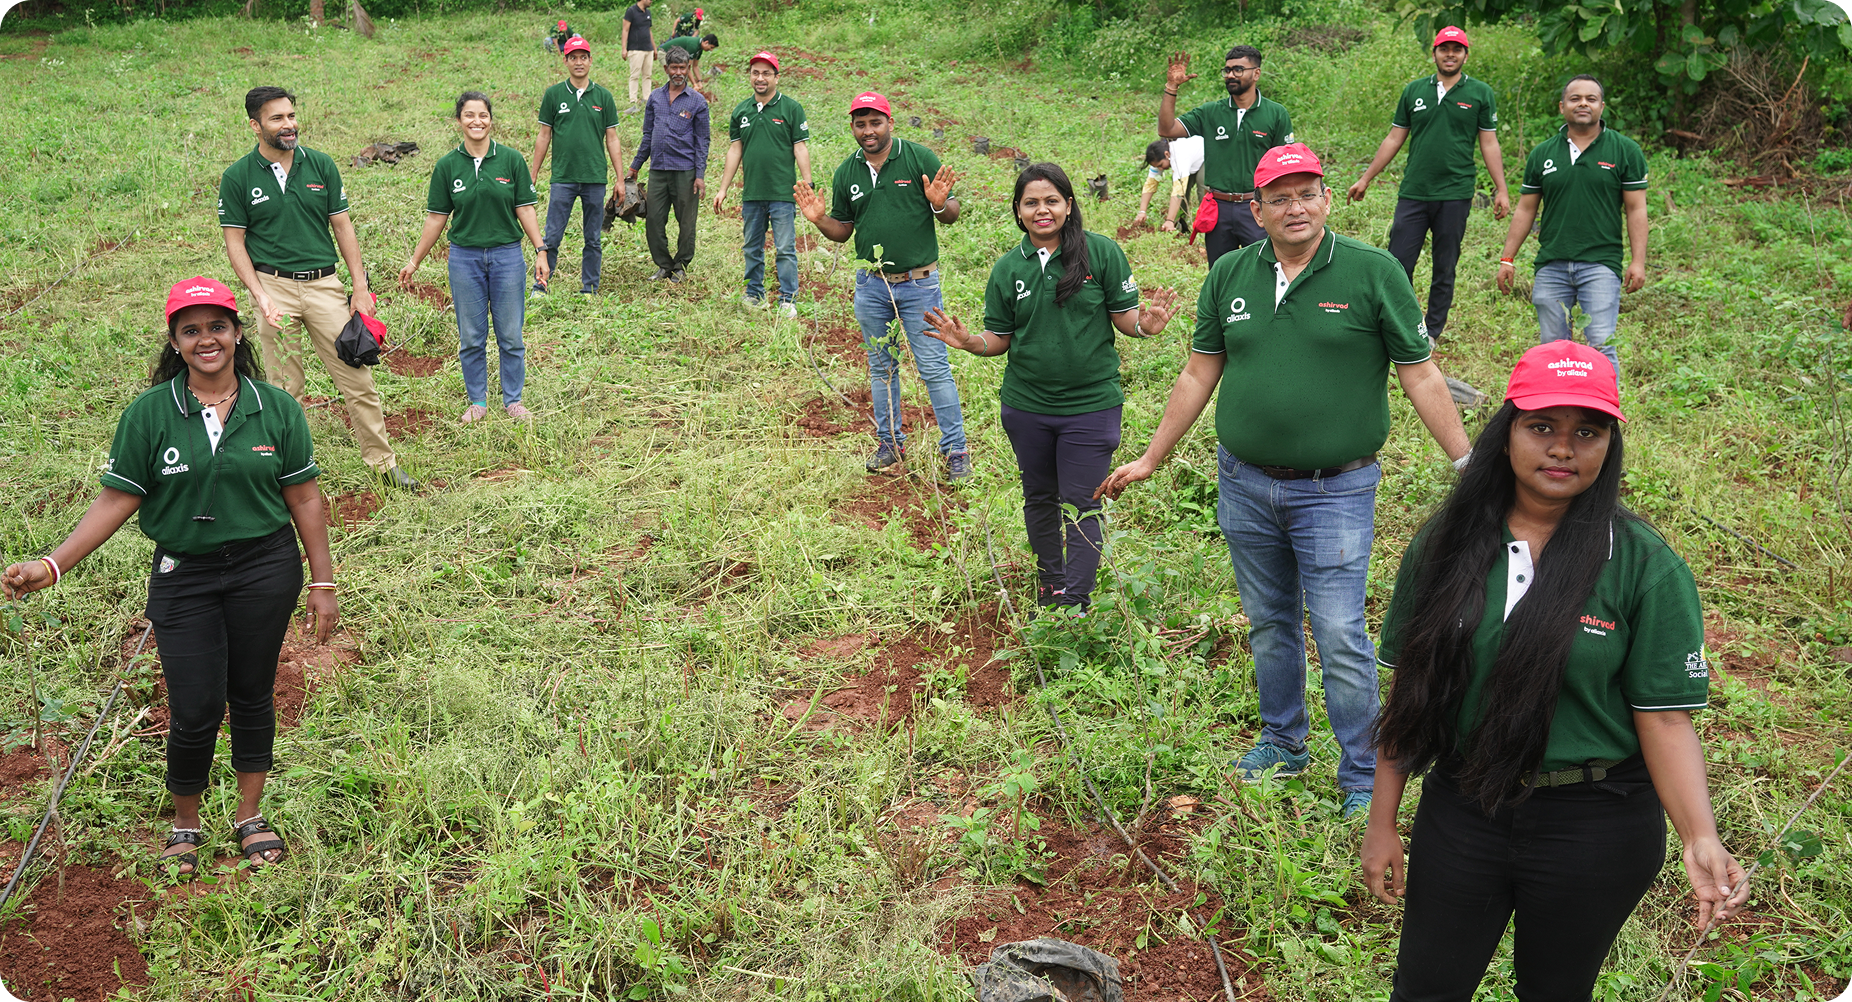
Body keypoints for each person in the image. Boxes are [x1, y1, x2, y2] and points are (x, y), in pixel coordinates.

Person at [1362, 340, 1748, 1000]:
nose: (1563, 449)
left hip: (1594, 822)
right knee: (1425, 989)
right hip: (1464, 806)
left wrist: (1700, 837)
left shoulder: (1643, 565)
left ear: (1609, 445)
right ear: (1507, 433)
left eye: (1587, 432)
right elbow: (1411, 694)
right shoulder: (1445, 543)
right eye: (1542, 427)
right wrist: (1382, 821)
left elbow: (1664, 720)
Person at [1096, 144, 1470, 817]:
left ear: (1326, 198)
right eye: (1280, 197)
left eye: (1307, 194)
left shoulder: (1372, 272)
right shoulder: (1230, 273)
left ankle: (1362, 774)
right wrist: (1151, 457)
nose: (1296, 208)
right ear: (1257, 208)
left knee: (1339, 633)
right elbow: (1199, 371)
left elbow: (1420, 374)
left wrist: (1467, 465)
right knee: (1269, 622)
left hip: (1336, 491)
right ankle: (1283, 742)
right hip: (1245, 483)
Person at [1, 277, 338, 876]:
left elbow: (305, 499)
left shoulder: (277, 408)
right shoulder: (150, 414)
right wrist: (52, 565)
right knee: (195, 703)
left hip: (266, 568)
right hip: (184, 575)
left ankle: (249, 815)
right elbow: (116, 498)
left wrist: (323, 582)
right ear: (176, 342)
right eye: (191, 330)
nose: (207, 339)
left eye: (217, 327)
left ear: (237, 333)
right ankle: (185, 824)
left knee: (252, 691)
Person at [921, 164, 1178, 610]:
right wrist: (969, 342)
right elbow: (999, 338)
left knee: (1083, 502)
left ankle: (1075, 602)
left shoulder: (1101, 253)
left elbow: (1126, 318)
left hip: (1091, 407)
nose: (1043, 210)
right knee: (1038, 497)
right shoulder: (1008, 269)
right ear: (1018, 211)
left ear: (1069, 205)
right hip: (1027, 408)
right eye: (1031, 203)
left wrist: (1145, 325)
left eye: (1052, 201)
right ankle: (1051, 586)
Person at [218, 86, 416, 491]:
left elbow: (342, 227)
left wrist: (359, 288)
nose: (289, 124)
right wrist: (260, 295)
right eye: (277, 118)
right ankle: (287, 472)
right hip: (274, 288)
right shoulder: (238, 177)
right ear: (255, 125)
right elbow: (235, 243)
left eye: (291, 115)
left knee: (357, 377)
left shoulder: (321, 165)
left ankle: (383, 465)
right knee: (284, 387)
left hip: (325, 287)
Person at [794, 91, 971, 481]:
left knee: (934, 368)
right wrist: (819, 219)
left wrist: (939, 203)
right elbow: (843, 231)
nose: (868, 130)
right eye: (860, 124)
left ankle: (956, 451)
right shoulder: (847, 172)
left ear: (890, 123)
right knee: (882, 369)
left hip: (919, 285)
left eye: (875, 122)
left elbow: (952, 214)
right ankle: (890, 445)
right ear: (853, 127)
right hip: (872, 287)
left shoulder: (918, 158)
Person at [1346, 26, 1511, 343]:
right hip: (1414, 192)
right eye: (1444, 49)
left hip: (1455, 193)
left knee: (1444, 266)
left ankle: (1431, 330)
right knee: (1397, 262)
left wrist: (1501, 189)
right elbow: (1394, 137)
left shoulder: (1480, 93)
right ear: (1434, 53)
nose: (1450, 54)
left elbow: (1489, 143)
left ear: (1465, 55)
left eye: (1457, 49)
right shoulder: (1414, 91)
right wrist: (1366, 178)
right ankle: (1399, 324)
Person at [398, 92, 549, 423]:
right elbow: (436, 218)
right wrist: (414, 260)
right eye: (469, 115)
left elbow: (525, 209)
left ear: (490, 120)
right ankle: (477, 401)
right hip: (464, 260)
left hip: (507, 257)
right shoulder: (447, 166)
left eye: (483, 115)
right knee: (471, 337)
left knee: (511, 335)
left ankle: (513, 400)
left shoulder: (511, 160)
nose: (476, 121)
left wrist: (541, 250)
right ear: (459, 121)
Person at [1496, 74, 1648, 376]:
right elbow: (1526, 210)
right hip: (1551, 264)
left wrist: (1638, 261)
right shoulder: (1542, 154)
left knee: (1601, 346)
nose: (1583, 104)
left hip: (1601, 263)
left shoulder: (1625, 150)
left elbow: (1636, 209)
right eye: (1575, 98)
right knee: (1552, 350)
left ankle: (1605, 407)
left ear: (1602, 106)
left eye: (1591, 99)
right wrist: (1507, 258)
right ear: (1562, 106)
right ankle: (1558, 404)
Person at [1157, 45, 1294, 264]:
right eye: (1227, 70)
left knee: (1263, 268)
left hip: (1257, 206)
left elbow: (1285, 166)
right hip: (1218, 208)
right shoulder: (1211, 112)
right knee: (1221, 272)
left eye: (1238, 69)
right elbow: (1166, 129)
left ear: (1256, 73)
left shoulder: (1275, 114)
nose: (1230, 75)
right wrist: (1171, 87)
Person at [713, 50, 811, 316]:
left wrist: (808, 184)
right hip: (753, 193)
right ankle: (754, 294)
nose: (760, 78)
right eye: (755, 73)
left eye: (766, 73)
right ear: (750, 76)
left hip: (782, 193)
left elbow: (800, 148)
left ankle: (788, 299)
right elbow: (735, 150)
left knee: (785, 248)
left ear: (776, 77)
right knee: (752, 247)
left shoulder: (791, 108)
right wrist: (723, 189)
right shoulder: (741, 111)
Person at [532, 37, 626, 296]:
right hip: (563, 177)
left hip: (594, 177)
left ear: (590, 60)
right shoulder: (554, 95)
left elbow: (612, 139)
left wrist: (620, 179)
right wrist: (533, 173)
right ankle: (540, 286)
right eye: (573, 57)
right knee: (552, 236)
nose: (579, 62)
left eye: (583, 57)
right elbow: (544, 136)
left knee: (593, 238)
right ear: (565, 61)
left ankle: (590, 289)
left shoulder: (603, 96)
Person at [627, 47, 710, 283]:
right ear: (666, 69)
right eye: (674, 68)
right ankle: (664, 265)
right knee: (653, 220)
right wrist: (635, 166)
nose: (678, 72)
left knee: (686, 222)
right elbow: (648, 135)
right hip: (658, 170)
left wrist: (700, 175)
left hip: (685, 172)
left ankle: (681, 266)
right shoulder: (655, 98)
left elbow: (702, 141)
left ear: (688, 69)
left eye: (683, 68)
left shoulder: (697, 102)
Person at [1133, 138, 1186, 232]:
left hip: (1203, 161)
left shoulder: (1179, 158)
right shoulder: (1159, 158)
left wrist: (1169, 220)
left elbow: (1178, 190)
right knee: (1184, 198)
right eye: (1157, 167)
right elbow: (1150, 184)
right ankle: (1182, 227)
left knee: (1202, 191)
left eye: (1161, 165)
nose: (1160, 169)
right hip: (1187, 167)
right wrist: (1142, 211)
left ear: (1167, 154)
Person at [620, 0, 656, 113]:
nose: (651, 1)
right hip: (635, 49)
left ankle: (647, 98)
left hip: (648, 48)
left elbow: (649, 31)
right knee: (635, 75)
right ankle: (633, 99)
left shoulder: (648, 12)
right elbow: (625, 30)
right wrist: (624, 48)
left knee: (647, 75)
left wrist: (654, 48)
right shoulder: (631, 11)